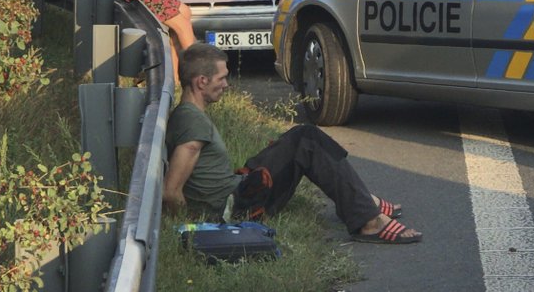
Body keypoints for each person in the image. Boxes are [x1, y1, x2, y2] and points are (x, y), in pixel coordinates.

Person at [163, 43, 422, 244]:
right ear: (201, 81)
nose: (226, 84)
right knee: (307, 140)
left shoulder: (188, 115)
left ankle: (364, 202)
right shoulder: (191, 123)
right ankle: (368, 220)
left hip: (238, 191)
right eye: (222, 78)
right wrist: (193, 228)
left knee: (302, 136)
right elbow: (171, 191)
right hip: (237, 208)